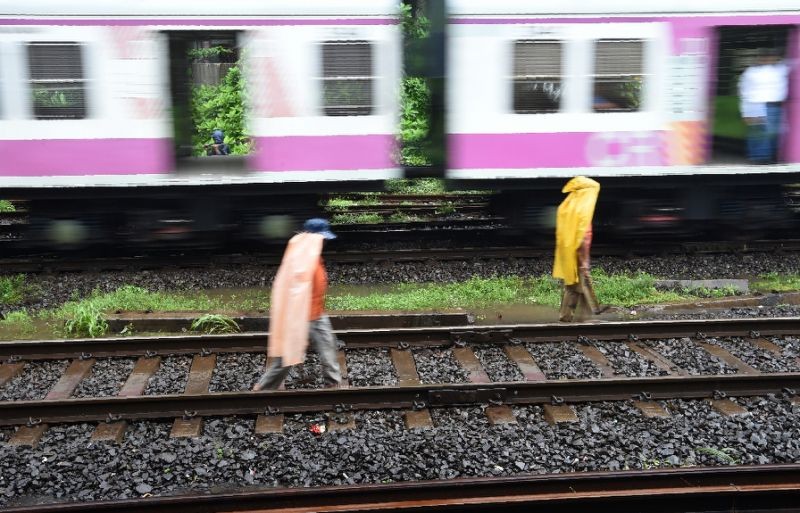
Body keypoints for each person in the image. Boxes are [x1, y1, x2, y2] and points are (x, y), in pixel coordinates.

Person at [253, 218, 341, 390]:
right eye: (322, 238)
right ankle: (263, 389)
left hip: (317, 313)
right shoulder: (301, 258)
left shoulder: (312, 255)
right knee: (288, 357)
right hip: (301, 315)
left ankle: (333, 384)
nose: (324, 242)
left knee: (328, 346)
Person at [552, 176, 607, 322]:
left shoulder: (568, 205)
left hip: (568, 251)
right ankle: (566, 317)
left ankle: (589, 315)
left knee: (580, 284)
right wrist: (584, 261)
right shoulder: (582, 210)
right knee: (574, 287)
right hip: (576, 253)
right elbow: (583, 238)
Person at [738, 48, 790, 164]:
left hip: (775, 105)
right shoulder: (751, 72)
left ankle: (766, 157)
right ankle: (759, 158)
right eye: (766, 57)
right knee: (759, 132)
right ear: (760, 58)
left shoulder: (781, 68)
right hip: (756, 105)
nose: (769, 59)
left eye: (772, 57)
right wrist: (745, 111)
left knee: (772, 132)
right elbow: (744, 91)